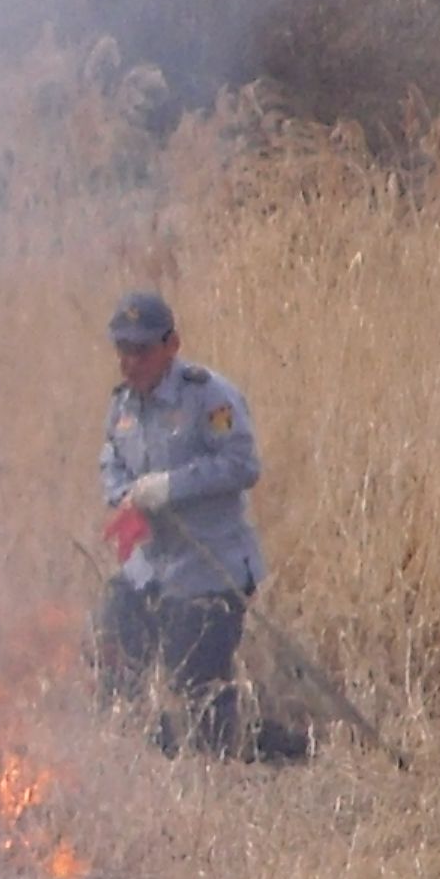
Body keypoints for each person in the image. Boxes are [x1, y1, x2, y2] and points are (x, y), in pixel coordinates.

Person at [94, 290, 272, 758]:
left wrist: (172, 487)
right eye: (123, 349)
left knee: (198, 695)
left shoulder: (208, 396)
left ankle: (267, 748)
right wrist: (124, 493)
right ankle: (131, 752)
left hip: (209, 569)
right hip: (150, 567)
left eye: (142, 350)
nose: (131, 362)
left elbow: (242, 464)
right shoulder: (123, 404)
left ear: (171, 345)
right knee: (111, 647)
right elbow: (111, 460)